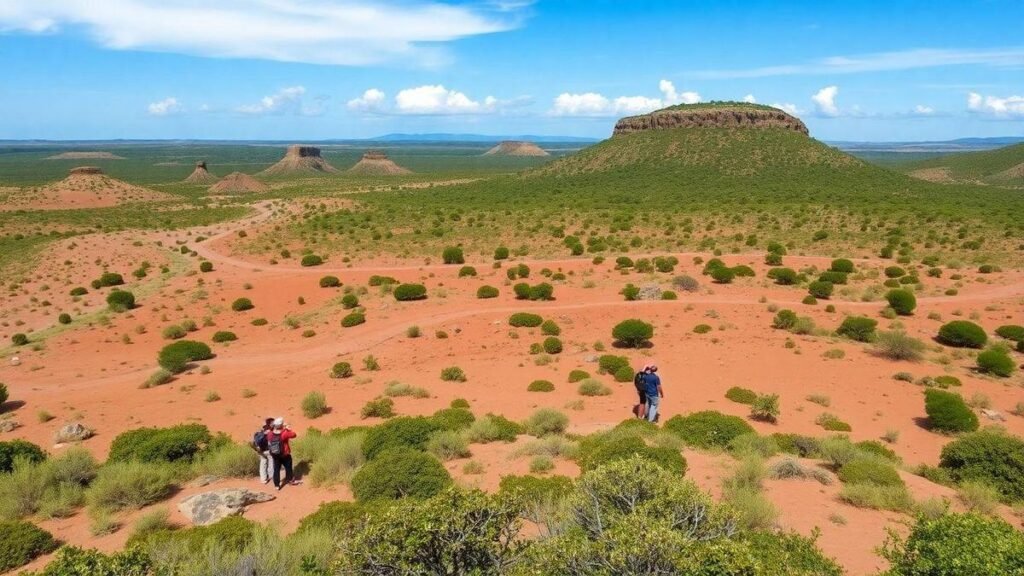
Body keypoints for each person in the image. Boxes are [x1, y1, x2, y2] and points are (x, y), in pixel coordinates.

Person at [266, 417, 299, 490]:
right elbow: (294, 435)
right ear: (281, 425)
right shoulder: (284, 433)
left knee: (276, 469)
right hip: (285, 454)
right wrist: (288, 429)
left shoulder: (270, 434)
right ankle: (290, 480)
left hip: (275, 455)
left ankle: (276, 485)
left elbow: (269, 440)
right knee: (288, 468)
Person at [252, 417, 273, 484]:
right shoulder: (270, 432)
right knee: (271, 462)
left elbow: (254, 442)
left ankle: (263, 479)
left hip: (260, 451)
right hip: (268, 450)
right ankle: (271, 476)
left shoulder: (259, 433)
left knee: (263, 463)